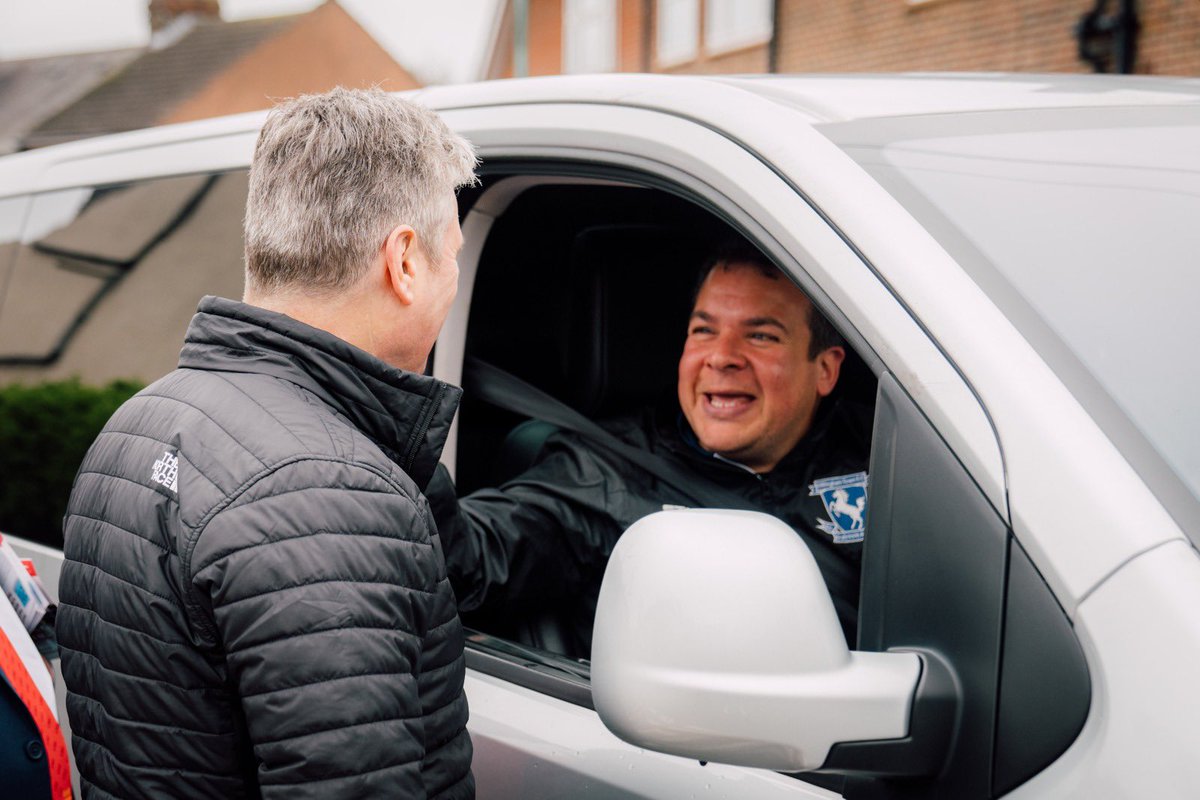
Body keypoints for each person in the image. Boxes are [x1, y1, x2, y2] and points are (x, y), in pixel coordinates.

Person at [56, 88, 478, 799]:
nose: (453, 281)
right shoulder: (327, 491)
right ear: (404, 260)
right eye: (453, 255)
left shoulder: (137, 422)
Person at [429, 244, 872, 656]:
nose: (721, 357)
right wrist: (402, 446)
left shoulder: (889, 449)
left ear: (826, 370)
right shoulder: (606, 472)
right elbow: (472, 561)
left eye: (760, 337)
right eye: (703, 330)